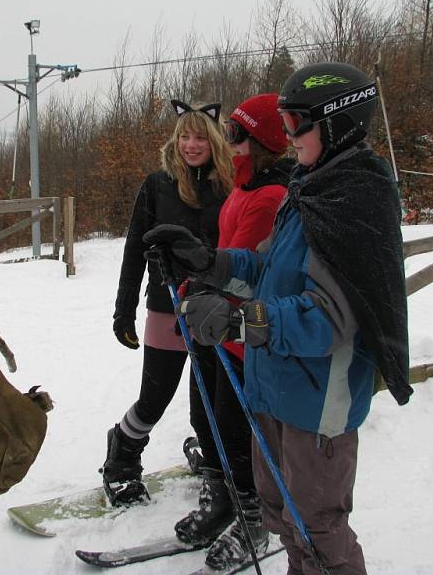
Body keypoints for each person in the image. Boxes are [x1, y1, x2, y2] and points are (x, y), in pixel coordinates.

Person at [144, 62, 412, 575]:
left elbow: (330, 318)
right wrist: (211, 261)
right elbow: (266, 268)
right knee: (284, 519)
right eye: (284, 124)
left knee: (317, 528)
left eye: (296, 124)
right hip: (273, 389)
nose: (287, 139)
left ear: (337, 124)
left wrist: (237, 323)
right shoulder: (311, 188)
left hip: (316, 403)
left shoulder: (354, 201)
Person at [174, 93, 295, 570]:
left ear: (260, 140)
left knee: (234, 424)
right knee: (209, 419)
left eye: (235, 134)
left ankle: (254, 518)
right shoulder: (245, 187)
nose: (229, 142)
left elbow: (249, 263)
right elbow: (226, 248)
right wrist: (194, 270)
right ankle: (225, 498)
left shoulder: (270, 195)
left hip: (242, 329)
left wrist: (201, 286)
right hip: (215, 321)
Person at [103, 99, 234, 506]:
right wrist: (123, 309)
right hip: (166, 306)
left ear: (214, 141)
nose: (190, 145)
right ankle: (121, 457)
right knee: (155, 397)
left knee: (210, 403)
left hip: (214, 308)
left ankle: (216, 468)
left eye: (199, 137)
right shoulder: (157, 184)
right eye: (183, 136)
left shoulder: (227, 185)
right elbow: (133, 250)